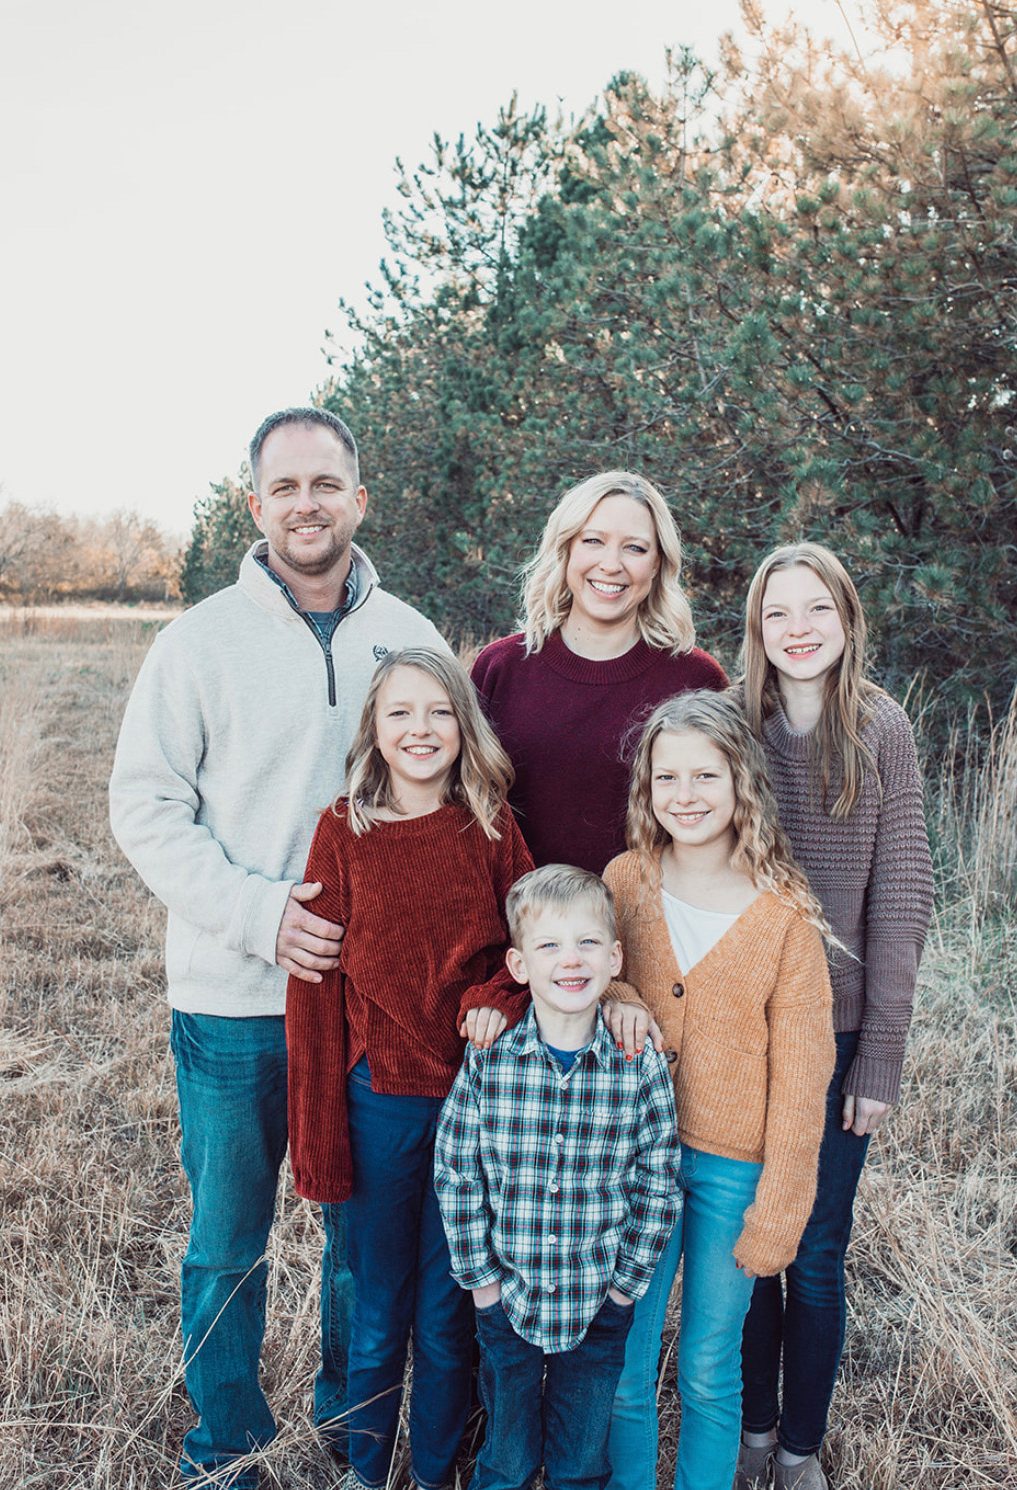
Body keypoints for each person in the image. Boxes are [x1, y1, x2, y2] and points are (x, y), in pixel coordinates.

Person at [108, 408, 447, 1490]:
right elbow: (145, 808)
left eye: (327, 483)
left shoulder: (412, 636)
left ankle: (349, 1434)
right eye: (286, 486)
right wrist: (262, 916)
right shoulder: (197, 641)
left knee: (362, 1241)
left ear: (360, 499)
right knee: (227, 1242)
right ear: (254, 505)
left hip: (371, 1007)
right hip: (234, 999)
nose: (308, 503)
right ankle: (227, 1451)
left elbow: (454, 803)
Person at [286, 647, 535, 1490]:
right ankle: (366, 1469)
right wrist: (319, 1137)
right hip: (378, 1104)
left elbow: (532, 947)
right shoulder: (343, 830)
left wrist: (499, 996)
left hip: (470, 1106)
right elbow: (314, 991)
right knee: (376, 1307)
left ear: (464, 726)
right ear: (374, 729)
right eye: (399, 713)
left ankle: (431, 1472)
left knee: (445, 1310)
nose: (419, 729)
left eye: (438, 712)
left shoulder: (491, 827)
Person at [734, 543, 934, 1490]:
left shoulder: (881, 727)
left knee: (814, 1253)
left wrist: (878, 1057)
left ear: (848, 619)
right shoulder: (734, 723)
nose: (798, 628)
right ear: (756, 629)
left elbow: (900, 895)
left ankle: (799, 1449)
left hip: (841, 1032)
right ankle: (751, 1431)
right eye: (778, 612)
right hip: (743, 1031)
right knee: (749, 1247)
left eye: (817, 608)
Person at [604, 689, 836, 1490]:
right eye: (666, 777)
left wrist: (780, 1205)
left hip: (732, 1170)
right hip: (635, 1160)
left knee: (708, 1365)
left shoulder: (783, 918)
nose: (685, 795)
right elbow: (594, 975)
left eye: (705, 776)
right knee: (627, 1364)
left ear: (742, 782)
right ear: (646, 788)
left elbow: (802, 1079)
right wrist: (622, 997)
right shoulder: (625, 881)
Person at [434, 864, 681, 1490]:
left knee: (580, 1465)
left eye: (588, 942)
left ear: (615, 958)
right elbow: (457, 1172)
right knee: (507, 1460)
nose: (570, 960)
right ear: (519, 966)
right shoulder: (491, 1061)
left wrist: (624, 1290)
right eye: (549, 945)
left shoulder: (638, 1066)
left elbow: (657, 1182)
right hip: (507, 1300)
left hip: (597, 1302)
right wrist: (482, 1285)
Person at [471, 471, 727, 874]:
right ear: (566, 549)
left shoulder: (696, 681)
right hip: (517, 912)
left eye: (635, 548)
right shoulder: (500, 668)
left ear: (658, 564)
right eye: (593, 541)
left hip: (651, 910)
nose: (611, 565)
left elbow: (727, 820)